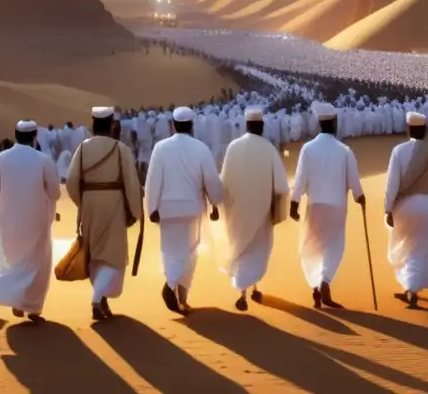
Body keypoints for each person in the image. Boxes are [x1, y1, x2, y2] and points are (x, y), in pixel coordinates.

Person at [0, 120, 62, 322]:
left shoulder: (1, 158)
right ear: (35, 137)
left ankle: (15, 299)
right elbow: (55, 192)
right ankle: (32, 307)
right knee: (37, 262)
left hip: (9, 220)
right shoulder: (43, 160)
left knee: (13, 260)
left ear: (16, 135)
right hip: (36, 220)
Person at [65, 106, 143, 321]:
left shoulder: (82, 148)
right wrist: (134, 210)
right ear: (111, 124)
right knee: (113, 255)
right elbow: (131, 184)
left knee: (95, 254)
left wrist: (83, 203)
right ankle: (98, 298)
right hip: (114, 205)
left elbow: (71, 183)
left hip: (89, 205)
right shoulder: (121, 149)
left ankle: (102, 300)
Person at [144, 105, 223, 314]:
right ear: (191, 125)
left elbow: (152, 181)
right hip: (192, 210)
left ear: (173, 125)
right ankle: (171, 286)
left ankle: (181, 298)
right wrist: (215, 202)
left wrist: (151, 207)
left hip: (167, 211)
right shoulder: (201, 148)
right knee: (189, 255)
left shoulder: (160, 147)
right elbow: (211, 180)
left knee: (171, 253)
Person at [289, 102, 364, 309]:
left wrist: (294, 202)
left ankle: (314, 285)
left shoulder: (308, 148)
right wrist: (360, 196)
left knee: (312, 246)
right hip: (337, 207)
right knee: (333, 247)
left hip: (315, 206)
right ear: (334, 122)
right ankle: (324, 281)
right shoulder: (344, 150)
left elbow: (300, 178)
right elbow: (353, 180)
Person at [220, 107, 290, 311]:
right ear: (261, 126)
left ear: (247, 126)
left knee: (241, 248)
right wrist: (279, 210)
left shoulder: (233, 147)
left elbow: (223, 182)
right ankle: (248, 288)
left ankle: (246, 289)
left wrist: (225, 206)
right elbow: (281, 187)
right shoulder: (268, 148)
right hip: (261, 212)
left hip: (238, 211)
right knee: (257, 250)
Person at [384, 111, 428, 309]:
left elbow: (391, 184)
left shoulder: (399, 151)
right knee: (422, 248)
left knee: (406, 246)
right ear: (424, 131)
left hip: (405, 206)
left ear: (408, 129)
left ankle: (411, 288)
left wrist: (388, 208)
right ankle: (411, 286)